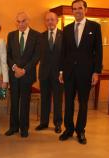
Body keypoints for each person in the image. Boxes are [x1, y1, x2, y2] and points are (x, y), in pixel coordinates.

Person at [58, 0, 103, 144]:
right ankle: (69, 129)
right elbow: (63, 52)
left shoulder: (95, 27)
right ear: (72, 11)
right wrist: (61, 71)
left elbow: (99, 51)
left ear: (85, 10)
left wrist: (96, 72)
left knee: (83, 103)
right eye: (74, 9)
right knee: (69, 102)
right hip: (69, 73)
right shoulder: (67, 28)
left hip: (86, 73)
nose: (77, 11)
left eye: (80, 8)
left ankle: (80, 130)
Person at [5, 12, 40, 138]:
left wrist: (24, 70)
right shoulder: (11, 35)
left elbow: (36, 56)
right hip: (14, 74)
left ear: (28, 20)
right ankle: (13, 127)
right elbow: (8, 55)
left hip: (27, 74)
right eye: (18, 21)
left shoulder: (36, 35)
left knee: (25, 101)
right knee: (14, 101)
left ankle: (24, 128)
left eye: (23, 21)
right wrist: (15, 68)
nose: (21, 24)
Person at [35, 12, 63, 133]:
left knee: (58, 100)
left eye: (52, 19)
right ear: (45, 22)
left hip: (59, 74)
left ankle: (57, 123)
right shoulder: (40, 37)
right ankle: (44, 122)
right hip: (44, 74)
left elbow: (66, 56)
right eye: (47, 20)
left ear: (57, 21)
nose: (50, 22)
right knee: (44, 98)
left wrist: (63, 72)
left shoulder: (64, 35)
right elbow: (37, 55)